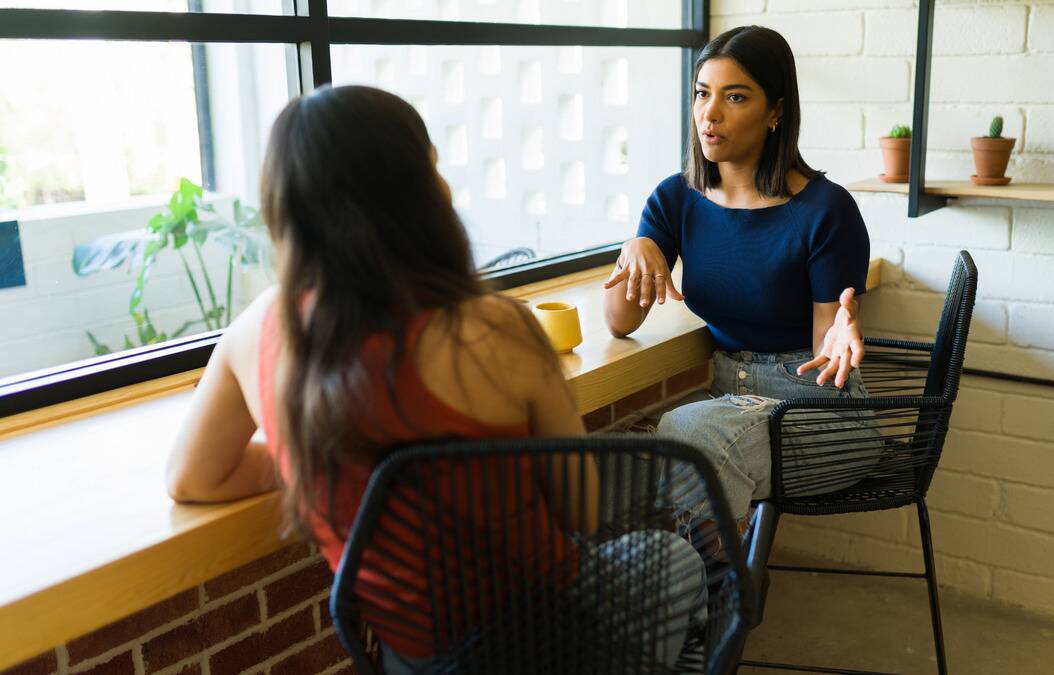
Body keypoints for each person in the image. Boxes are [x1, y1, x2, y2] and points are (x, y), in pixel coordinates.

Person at [165, 85, 705, 672]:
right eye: (433, 167)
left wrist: (330, 452)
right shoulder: (496, 328)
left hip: (417, 663)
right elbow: (580, 512)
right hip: (561, 641)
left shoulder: (255, 333)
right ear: (419, 194)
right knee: (675, 558)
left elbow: (192, 477)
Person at [603, 26, 882, 523]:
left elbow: (824, 358)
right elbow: (620, 322)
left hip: (817, 415)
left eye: (734, 97)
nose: (710, 113)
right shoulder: (675, 199)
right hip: (732, 401)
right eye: (702, 94)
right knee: (637, 454)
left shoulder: (825, 209)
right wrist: (636, 248)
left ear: (776, 111)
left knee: (691, 434)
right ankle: (711, 586)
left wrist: (840, 330)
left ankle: (712, 593)